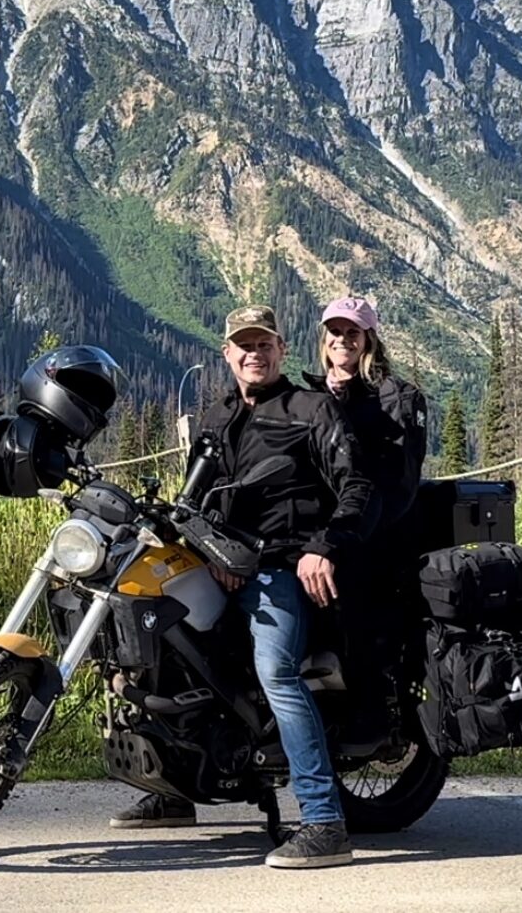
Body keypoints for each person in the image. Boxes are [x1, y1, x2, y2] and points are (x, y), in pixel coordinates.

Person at [109, 304, 374, 869]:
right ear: (227, 354)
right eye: (243, 344)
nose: (254, 353)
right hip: (219, 562)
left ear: (281, 350)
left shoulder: (310, 408)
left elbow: (356, 486)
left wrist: (322, 547)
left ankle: (325, 822)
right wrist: (206, 548)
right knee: (159, 646)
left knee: (275, 670)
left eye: (264, 343)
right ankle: (173, 790)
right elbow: (196, 501)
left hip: (285, 564)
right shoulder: (215, 417)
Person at [301, 296, 430, 750]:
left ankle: (371, 721)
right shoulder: (311, 396)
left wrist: (352, 537)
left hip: (376, 536)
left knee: (357, 609)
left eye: (352, 332)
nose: (342, 340)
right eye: (334, 332)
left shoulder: (398, 397)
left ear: (368, 339)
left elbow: (400, 483)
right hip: (320, 530)